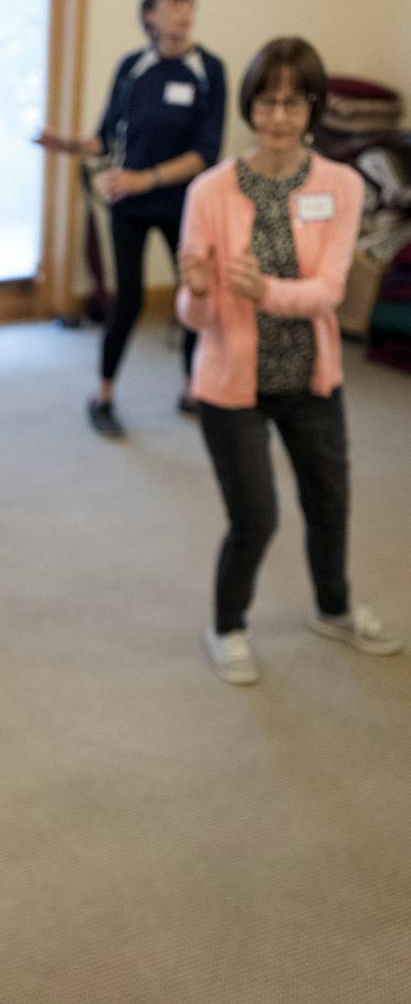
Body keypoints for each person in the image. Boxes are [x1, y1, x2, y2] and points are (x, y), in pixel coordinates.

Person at [176, 37, 402, 684]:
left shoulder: (342, 185)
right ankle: (227, 625)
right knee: (256, 518)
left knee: (330, 500)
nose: (279, 116)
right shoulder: (209, 191)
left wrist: (263, 290)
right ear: (251, 106)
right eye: (267, 101)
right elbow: (197, 320)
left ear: (313, 108)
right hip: (230, 381)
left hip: (311, 375)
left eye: (294, 102)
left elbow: (330, 291)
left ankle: (333, 607)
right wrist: (194, 290)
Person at [37, 0, 225, 437]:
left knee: (193, 296)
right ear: (149, 15)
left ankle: (192, 391)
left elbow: (206, 153)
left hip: (185, 206)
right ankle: (103, 396)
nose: (182, 11)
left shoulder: (209, 70)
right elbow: (104, 139)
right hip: (130, 206)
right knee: (130, 301)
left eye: (188, 2)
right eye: (171, 3)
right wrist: (67, 145)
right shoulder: (132, 68)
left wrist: (148, 178)